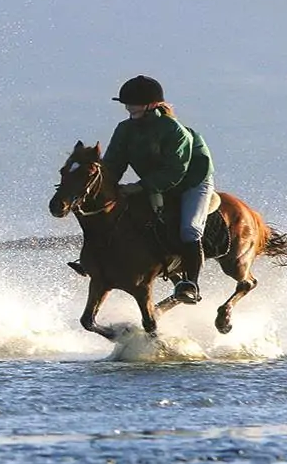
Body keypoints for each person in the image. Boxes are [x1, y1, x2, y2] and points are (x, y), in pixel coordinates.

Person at [78, 75, 215, 303]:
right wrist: (98, 187)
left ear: (151, 105)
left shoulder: (174, 130)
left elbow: (175, 172)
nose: (128, 107)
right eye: (126, 103)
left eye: (134, 103)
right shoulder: (124, 129)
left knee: (190, 230)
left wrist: (140, 187)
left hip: (192, 182)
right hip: (155, 181)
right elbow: (113, 165)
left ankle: (190, 284)